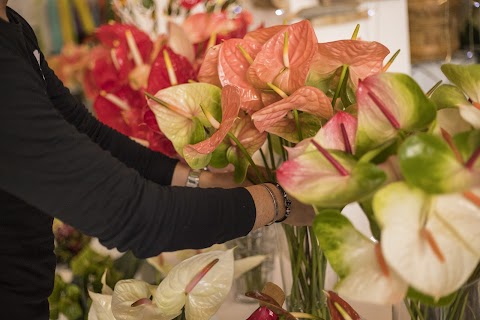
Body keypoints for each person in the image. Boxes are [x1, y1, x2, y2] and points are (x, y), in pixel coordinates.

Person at [0, 2, 314, 319]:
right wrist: (278, 201)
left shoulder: (11, 23)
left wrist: (201, 180)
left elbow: (83, 130)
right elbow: (135, 214)